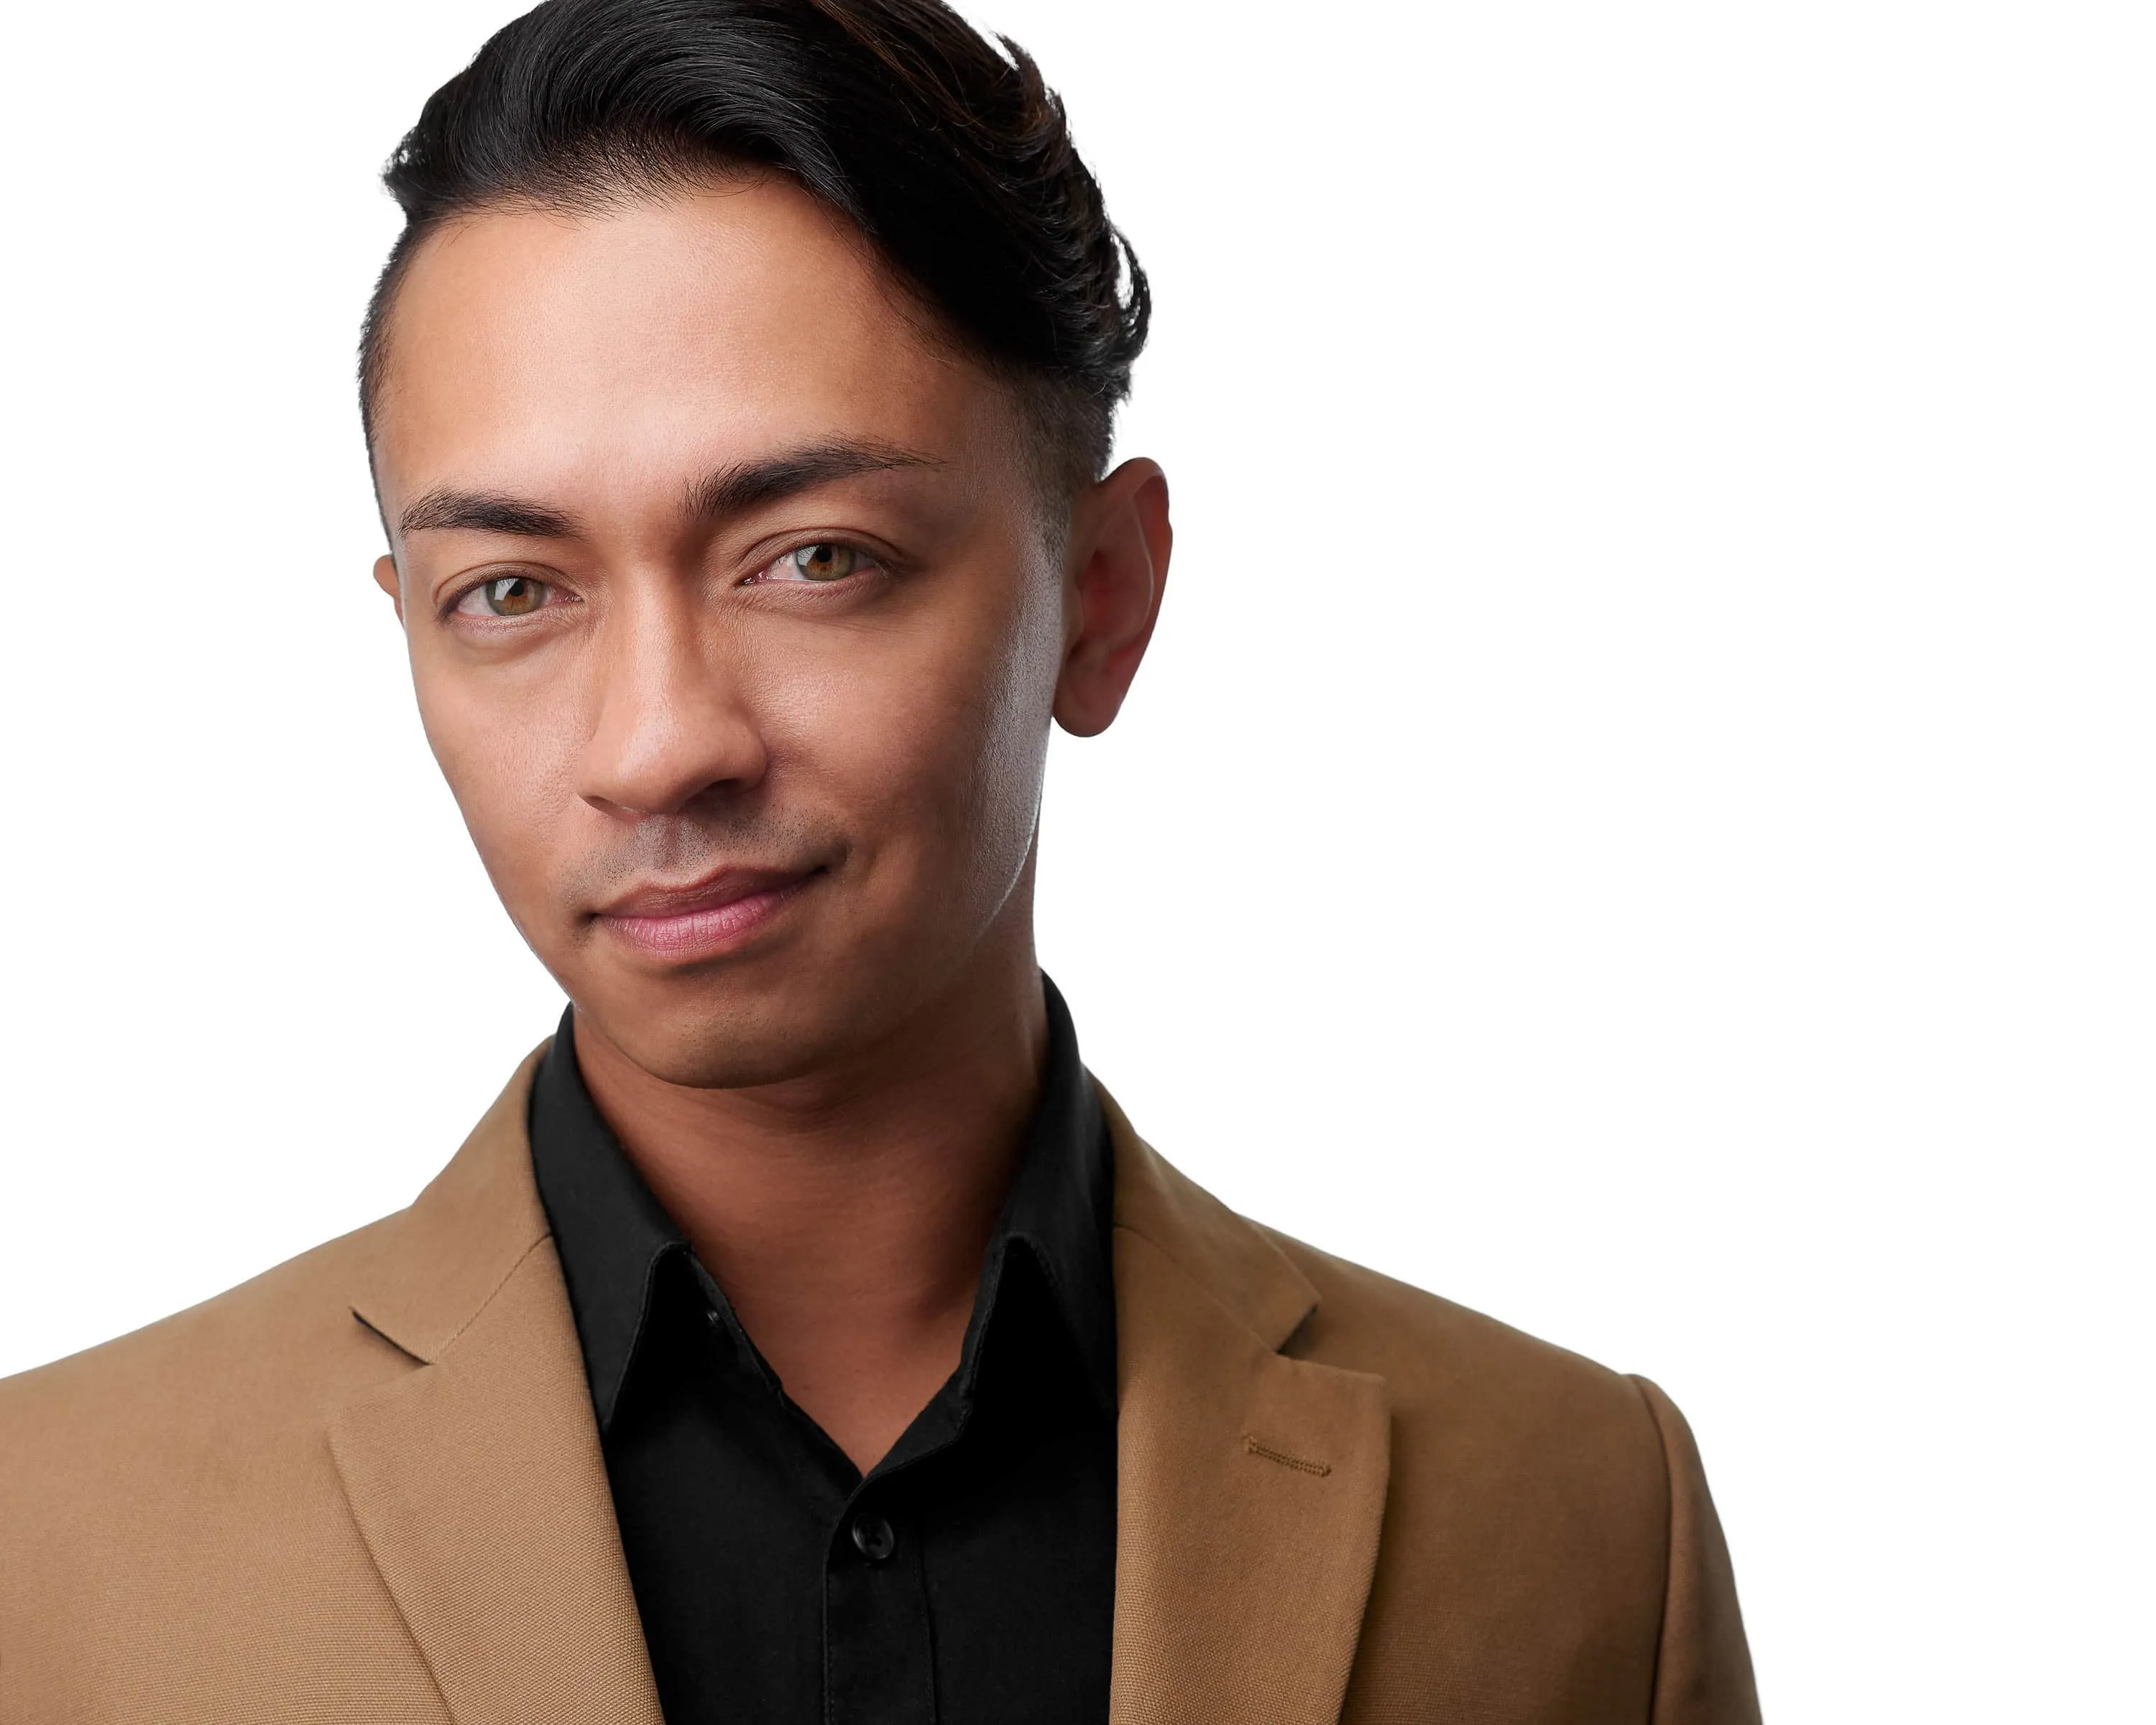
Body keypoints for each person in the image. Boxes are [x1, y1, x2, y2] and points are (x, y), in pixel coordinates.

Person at [0, 1, 1760, 1719]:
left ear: (1107, 596)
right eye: (513, 593)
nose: (655, 742)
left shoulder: (1585, 1514)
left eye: (813, 557)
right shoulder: (51, 1542)